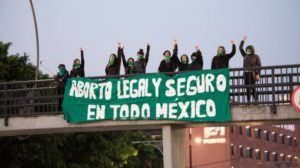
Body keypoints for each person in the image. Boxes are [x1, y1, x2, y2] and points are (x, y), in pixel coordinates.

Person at [239, 36, 262, 102]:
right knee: (247, 88)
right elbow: (240, 48)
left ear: (252, 50)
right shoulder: (245, 56)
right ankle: (248, 101)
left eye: (249, 50)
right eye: (247, 50)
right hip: (245, 73)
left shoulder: (255, 56)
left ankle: (256, 101)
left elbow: (259, 66)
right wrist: (243, 40)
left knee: (253, 88)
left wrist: (258, 74)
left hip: (253, 73)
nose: (248, 51)